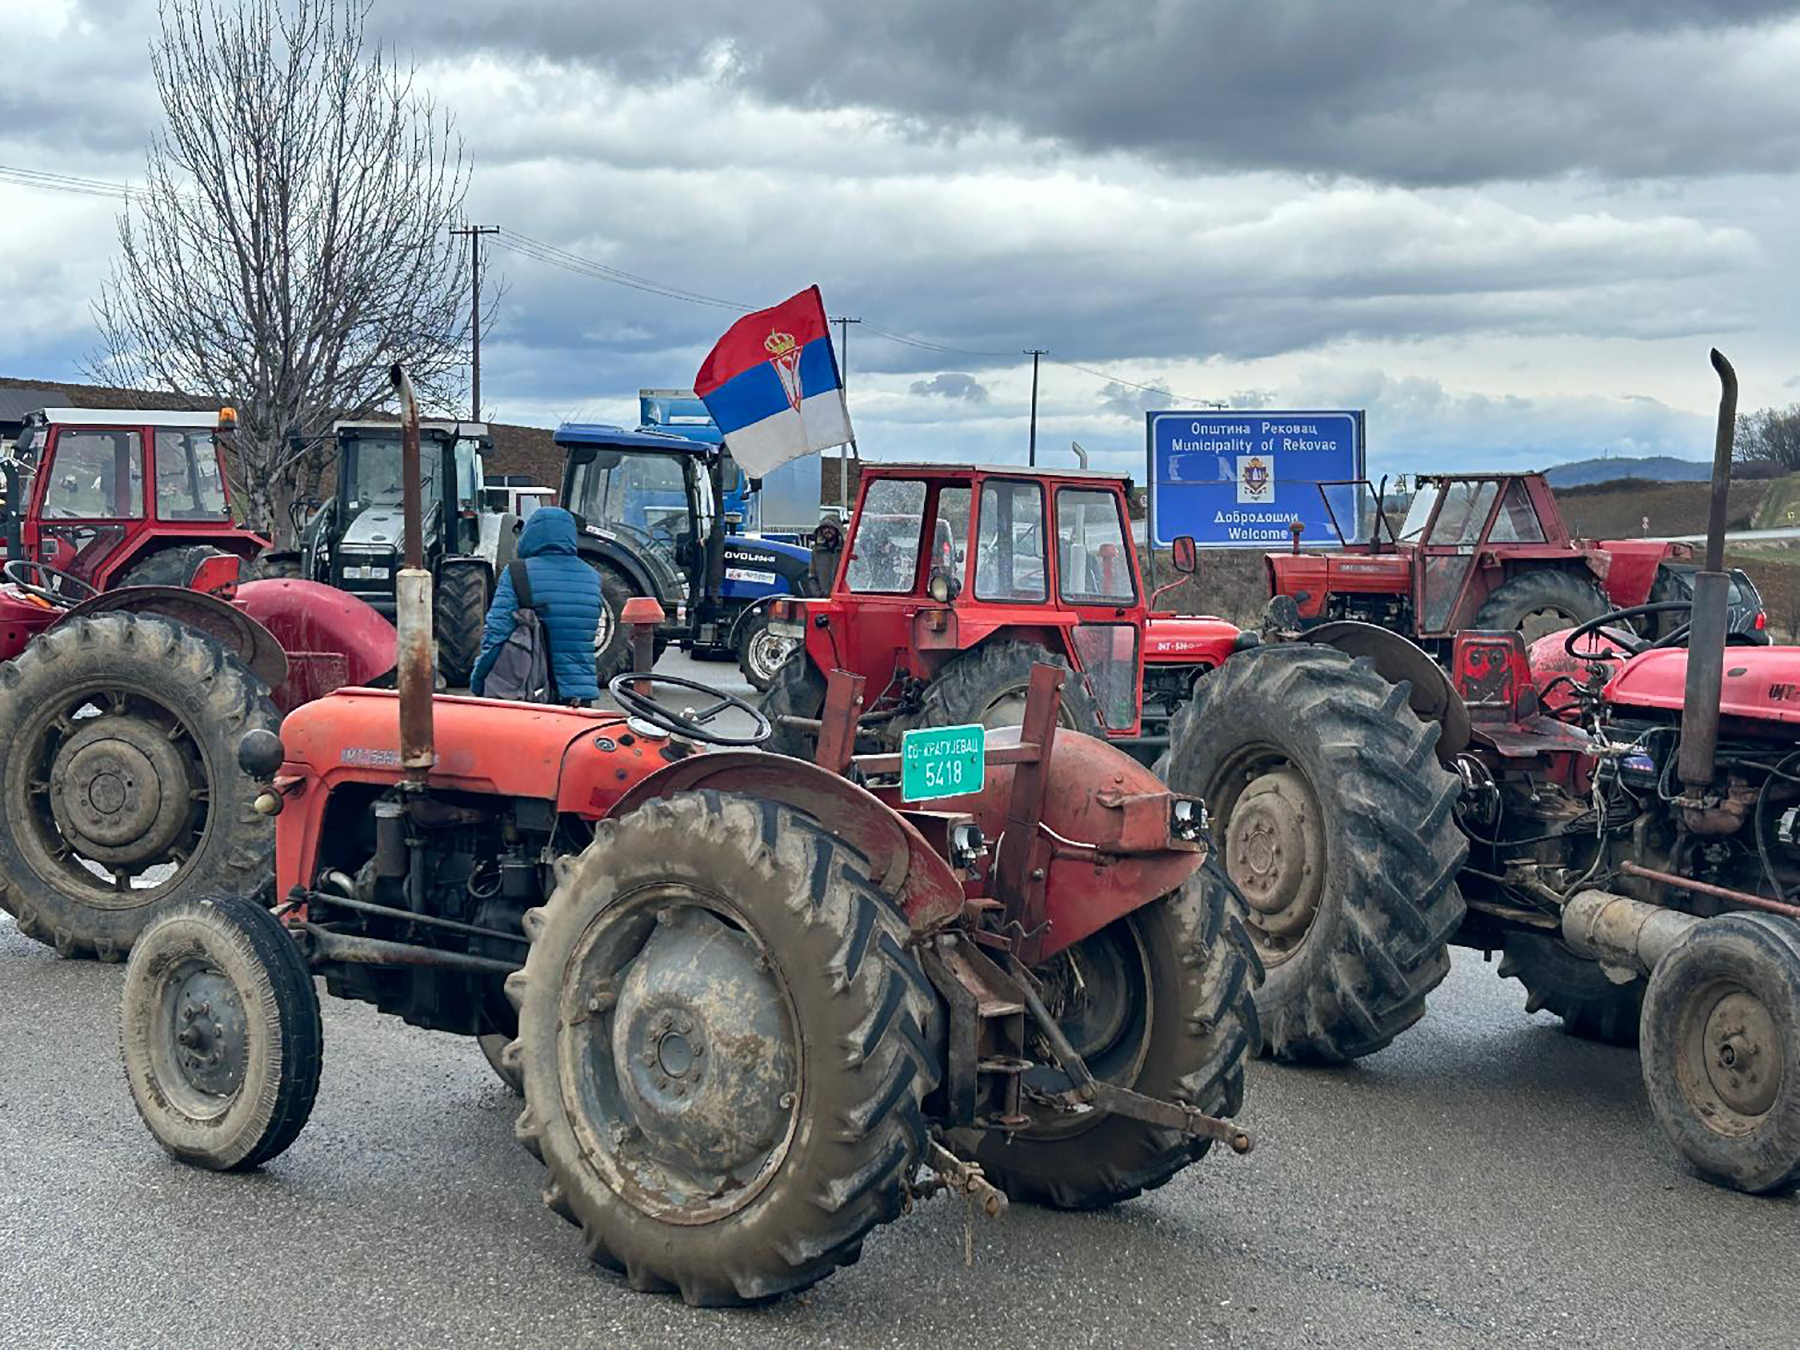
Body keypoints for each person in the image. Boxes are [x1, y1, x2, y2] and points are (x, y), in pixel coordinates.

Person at [470, 506, 602, 703]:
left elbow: (496, 633)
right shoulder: (592, 577)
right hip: (578, 696)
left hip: (532, 691)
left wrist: (478, 679)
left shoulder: (517, 572)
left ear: (530, 534)